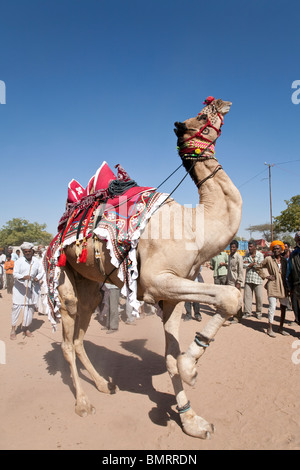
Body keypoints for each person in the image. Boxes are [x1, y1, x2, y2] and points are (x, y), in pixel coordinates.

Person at [256, 240, 290, 337]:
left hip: (283, 286)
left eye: (277, 249)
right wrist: (266, 276)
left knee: (283, 307)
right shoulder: (268, 259)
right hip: (272, 286)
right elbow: (258, 267)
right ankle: (269, 328)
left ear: (281, 249)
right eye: (274, 249)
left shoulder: (284, 260)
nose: (275, 250)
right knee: (272, 307)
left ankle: (281, 328)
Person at [10, 242, 44, 340]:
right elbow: (15, 274)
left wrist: (37, 278)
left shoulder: (36, 261)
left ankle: (26, 328)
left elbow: (41, 272)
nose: (28, 253)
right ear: (23, 252)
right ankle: (13, 330)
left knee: (29, 310)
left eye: (29, 251)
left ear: (32, 251)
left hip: (32, 290)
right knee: (16, 309)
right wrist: (23, 277)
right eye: (25, 252)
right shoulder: (18, 261)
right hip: (20, 290)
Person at [243, 240, 264, 319]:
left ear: (255, 247)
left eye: (251, 246)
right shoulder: (247, 255)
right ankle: (247, 312)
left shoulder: (260, 255)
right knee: (247, 297)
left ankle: (259, 312)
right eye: (249, 246)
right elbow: (243, 265)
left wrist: (249, 264)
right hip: (249, 278)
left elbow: (260, 265)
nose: (249, 248)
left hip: (257, 278)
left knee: (259, 297)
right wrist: (251, 264)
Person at [227, 240, 244, 322]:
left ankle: (237, 317)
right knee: (232, 299)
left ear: (237, 248)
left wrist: (239, 282)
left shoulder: (239, 257)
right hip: (230, 281)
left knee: (236, 300)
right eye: (231, 247)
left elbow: (240, 270)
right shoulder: (229, 256)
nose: (232, 249)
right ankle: (237, 315)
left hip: (236, 282)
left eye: (234, 247)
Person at [287, 231, 300, 317]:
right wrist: (289, 285)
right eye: (297, 239)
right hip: (297, 284)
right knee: (296, 306)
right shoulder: (294, 254)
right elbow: (289, 270)